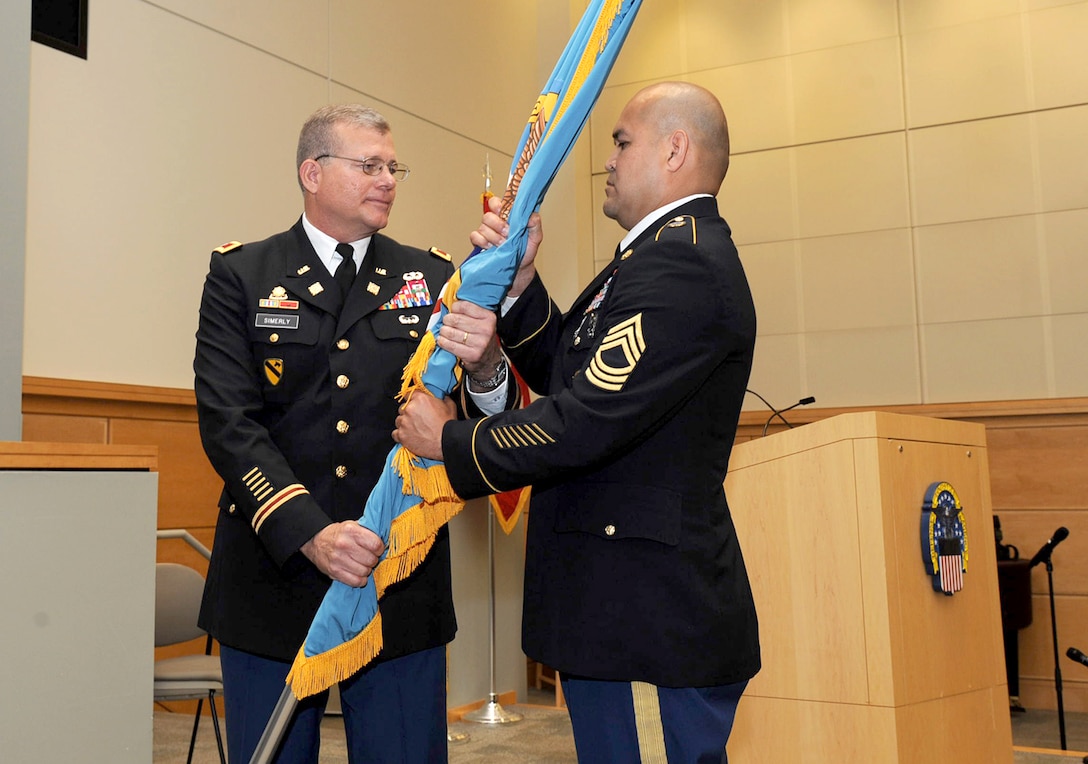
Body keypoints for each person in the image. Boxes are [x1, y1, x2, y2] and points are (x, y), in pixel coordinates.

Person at [394, 81, 761, 762]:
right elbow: (573, 369)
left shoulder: (682, 263)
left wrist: (449, 440)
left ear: (675, 149)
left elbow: (583, 422)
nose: (610, 159)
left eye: (623, 142)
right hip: (618, 607)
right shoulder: (653, 258)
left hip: (645, 620)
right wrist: (522, 286)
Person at [193, 103, 500, 763]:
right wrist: (310, 533)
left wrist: (488, 367)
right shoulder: (242, 276)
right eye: (369, 165)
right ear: (312, 172)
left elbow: (469, 414)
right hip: (272, 577)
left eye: (393, 166)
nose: (387, 178)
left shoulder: (433, 277)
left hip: (397, 577)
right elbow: (229, 423)